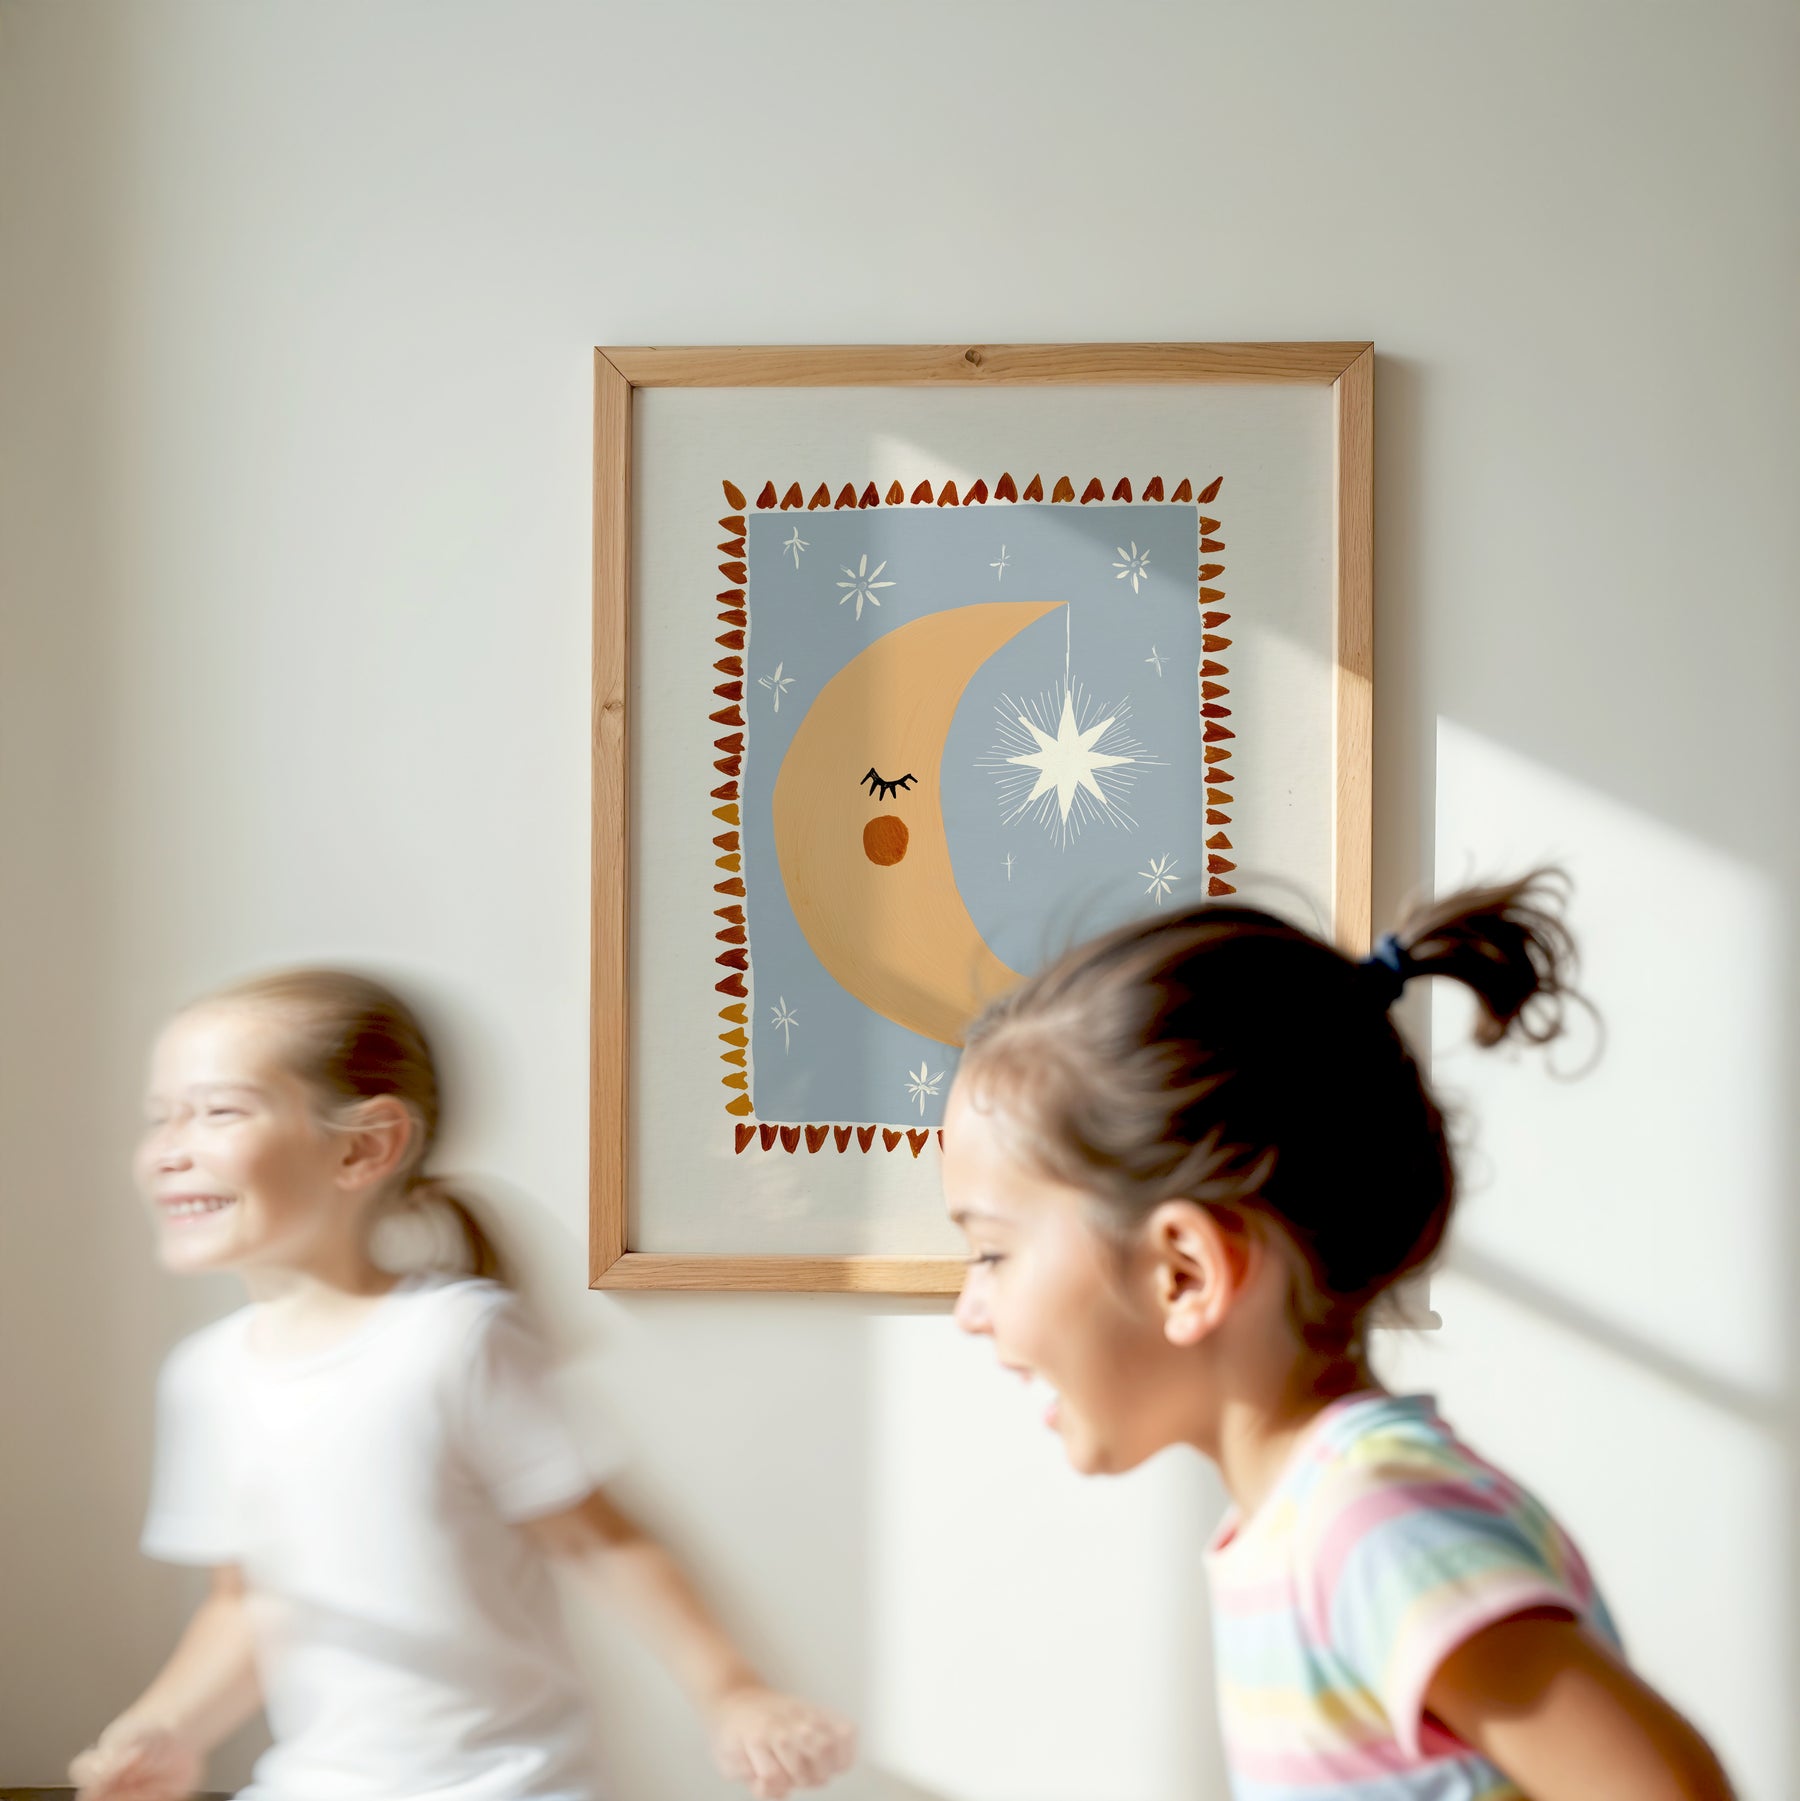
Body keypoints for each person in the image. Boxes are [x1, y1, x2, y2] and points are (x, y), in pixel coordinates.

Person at [941, 874, 1734, 1801]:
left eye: (992, 1253)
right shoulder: (1303, 1528)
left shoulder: (1370, 1522)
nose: (970, 1308)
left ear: (1184, 1271)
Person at [71, 968, 854, 1801]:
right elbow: (248, 1602)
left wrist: (733, 1692)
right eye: (160, 1116)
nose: (169, 1149)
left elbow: (600, 1542)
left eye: (218, 1111)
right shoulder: (204, 1378)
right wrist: (164, 1726)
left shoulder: (452, 1339)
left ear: (364, 1147)